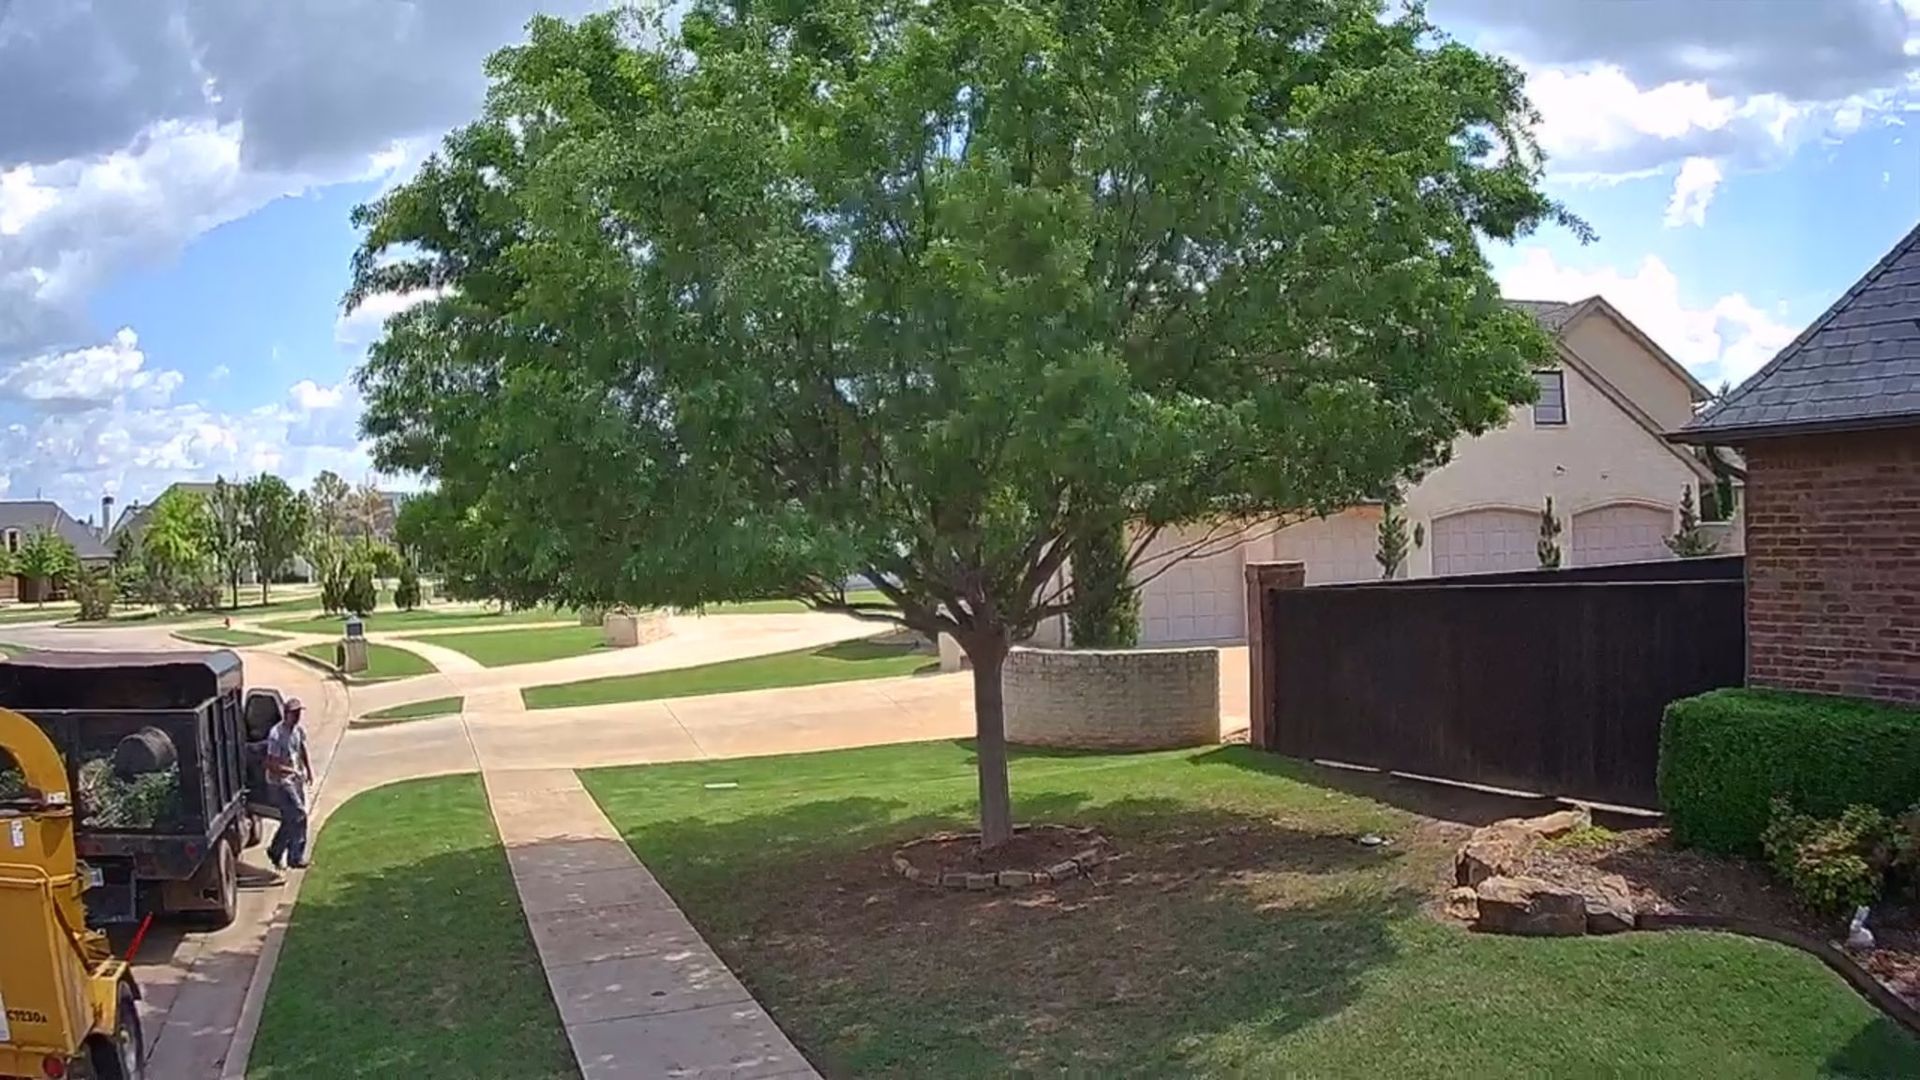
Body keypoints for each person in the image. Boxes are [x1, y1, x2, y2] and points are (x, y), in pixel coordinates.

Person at [265, 696, 313, 870]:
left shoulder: (297, 731)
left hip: (295, 780)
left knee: (290, 820)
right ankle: (295, 857)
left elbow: (301, 748)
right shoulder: (276, 735)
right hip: (280, 783)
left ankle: (275, 851)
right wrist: (291, 771)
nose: (298, 716)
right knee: (300, 814)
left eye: (299, 712)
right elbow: (271, 764)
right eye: (295, 713)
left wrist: (308, 769)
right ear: (286, 714)